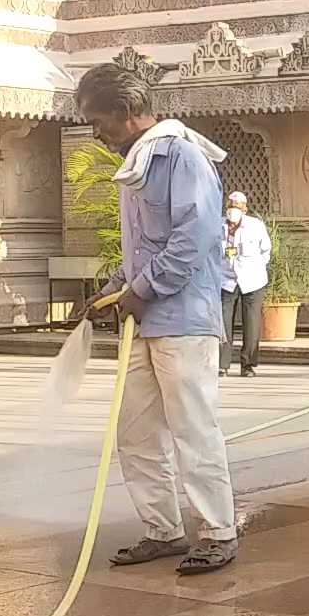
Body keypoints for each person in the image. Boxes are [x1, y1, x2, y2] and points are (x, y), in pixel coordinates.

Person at [74, 62, 240, 575]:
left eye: (99, 122)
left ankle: (217, 531)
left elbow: (195, 239)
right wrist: (111, 292)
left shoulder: (181, 156)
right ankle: (163, 529)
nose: (97, 134)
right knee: (137, 431)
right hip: (147, 319)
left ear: (125, 113)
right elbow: (141, 250)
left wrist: (141, 291)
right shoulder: (138, 162)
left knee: (193, 428)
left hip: (183, 319)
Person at [218, 190, 273, 378]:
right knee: (223, 322)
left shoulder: (255, 226)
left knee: (251, 322)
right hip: (226, 279)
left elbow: (266, 251)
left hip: (253, 280)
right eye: (231, 205)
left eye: (238, 206)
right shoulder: (218, 226)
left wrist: (254, 267)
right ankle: (222, 364)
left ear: (245, 209)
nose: (234, 209)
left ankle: (248, 365)